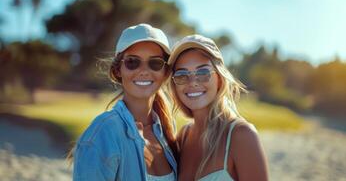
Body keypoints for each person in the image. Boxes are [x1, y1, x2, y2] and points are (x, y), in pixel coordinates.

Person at [73, 23, 177, 181]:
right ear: (117, 70)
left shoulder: (167, 133)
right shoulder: (103, 132)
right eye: (133, 62)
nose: (143, 71)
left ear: (165, 72)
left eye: (155, 63)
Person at [168, 34, 268, 181]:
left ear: (220, 79)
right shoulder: (184, 136)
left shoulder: (242, 136)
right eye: (182, 75)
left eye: (203, 72)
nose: (192, 82)